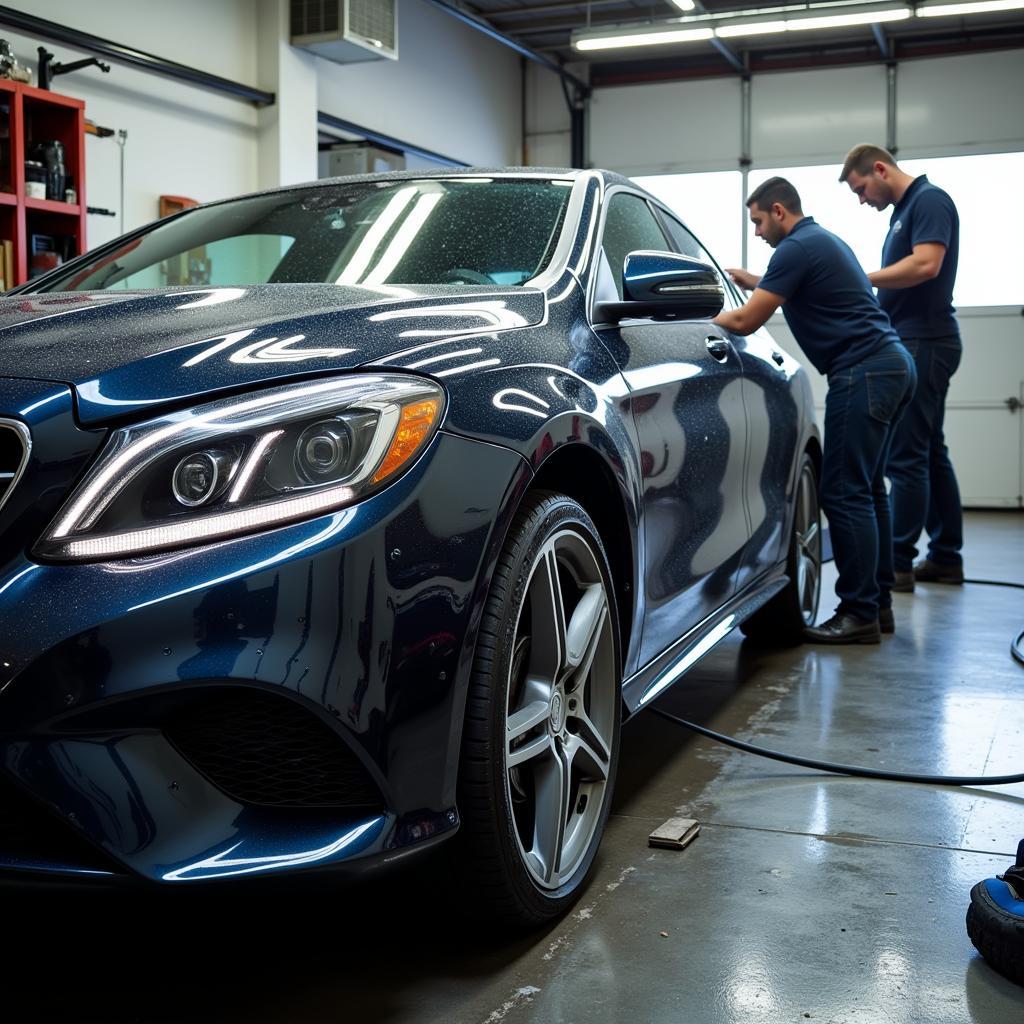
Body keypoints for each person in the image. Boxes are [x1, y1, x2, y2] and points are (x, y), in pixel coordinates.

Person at [717, 177, 915, 644]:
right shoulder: (818, 240)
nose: (759, 232)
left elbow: (746, 320)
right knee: (867, 490)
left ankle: (858, 611)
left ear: (780, 211)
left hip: (862, 371)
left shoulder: (795, 250)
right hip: (891, 363)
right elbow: (781, 285)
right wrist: (747, 278)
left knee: (843, 492)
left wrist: (704, 323)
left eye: (759, 221)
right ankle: (878, 604)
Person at [839, 144, 964, 591]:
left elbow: (927, 265)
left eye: (861, 189)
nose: (862, 199)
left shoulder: (928, 201)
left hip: (924, 339)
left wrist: (861, 276)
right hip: (921, 338)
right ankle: (946, 556)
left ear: (879, 169)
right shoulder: (906, 211)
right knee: (929, 452)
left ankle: (898, 563)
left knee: (906, 458)